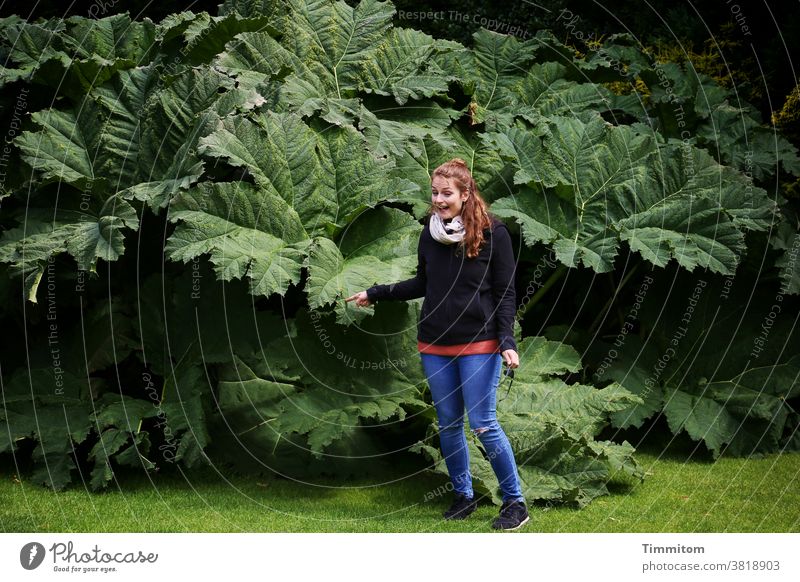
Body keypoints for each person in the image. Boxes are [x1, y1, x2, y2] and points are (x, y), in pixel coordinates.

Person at [345, 158, 529, 531]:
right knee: (448, 424)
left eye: (447, 193)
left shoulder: (495, 233)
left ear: (465, 194)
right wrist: (376, 292)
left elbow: (506, 292)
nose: (439, 200)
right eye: (435, 193)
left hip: (480, 341)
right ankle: (464, 496)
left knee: (482, 424)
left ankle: (515, 502)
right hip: (434, 343)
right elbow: (423, 284)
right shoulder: (430, 233)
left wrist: (506, 340)